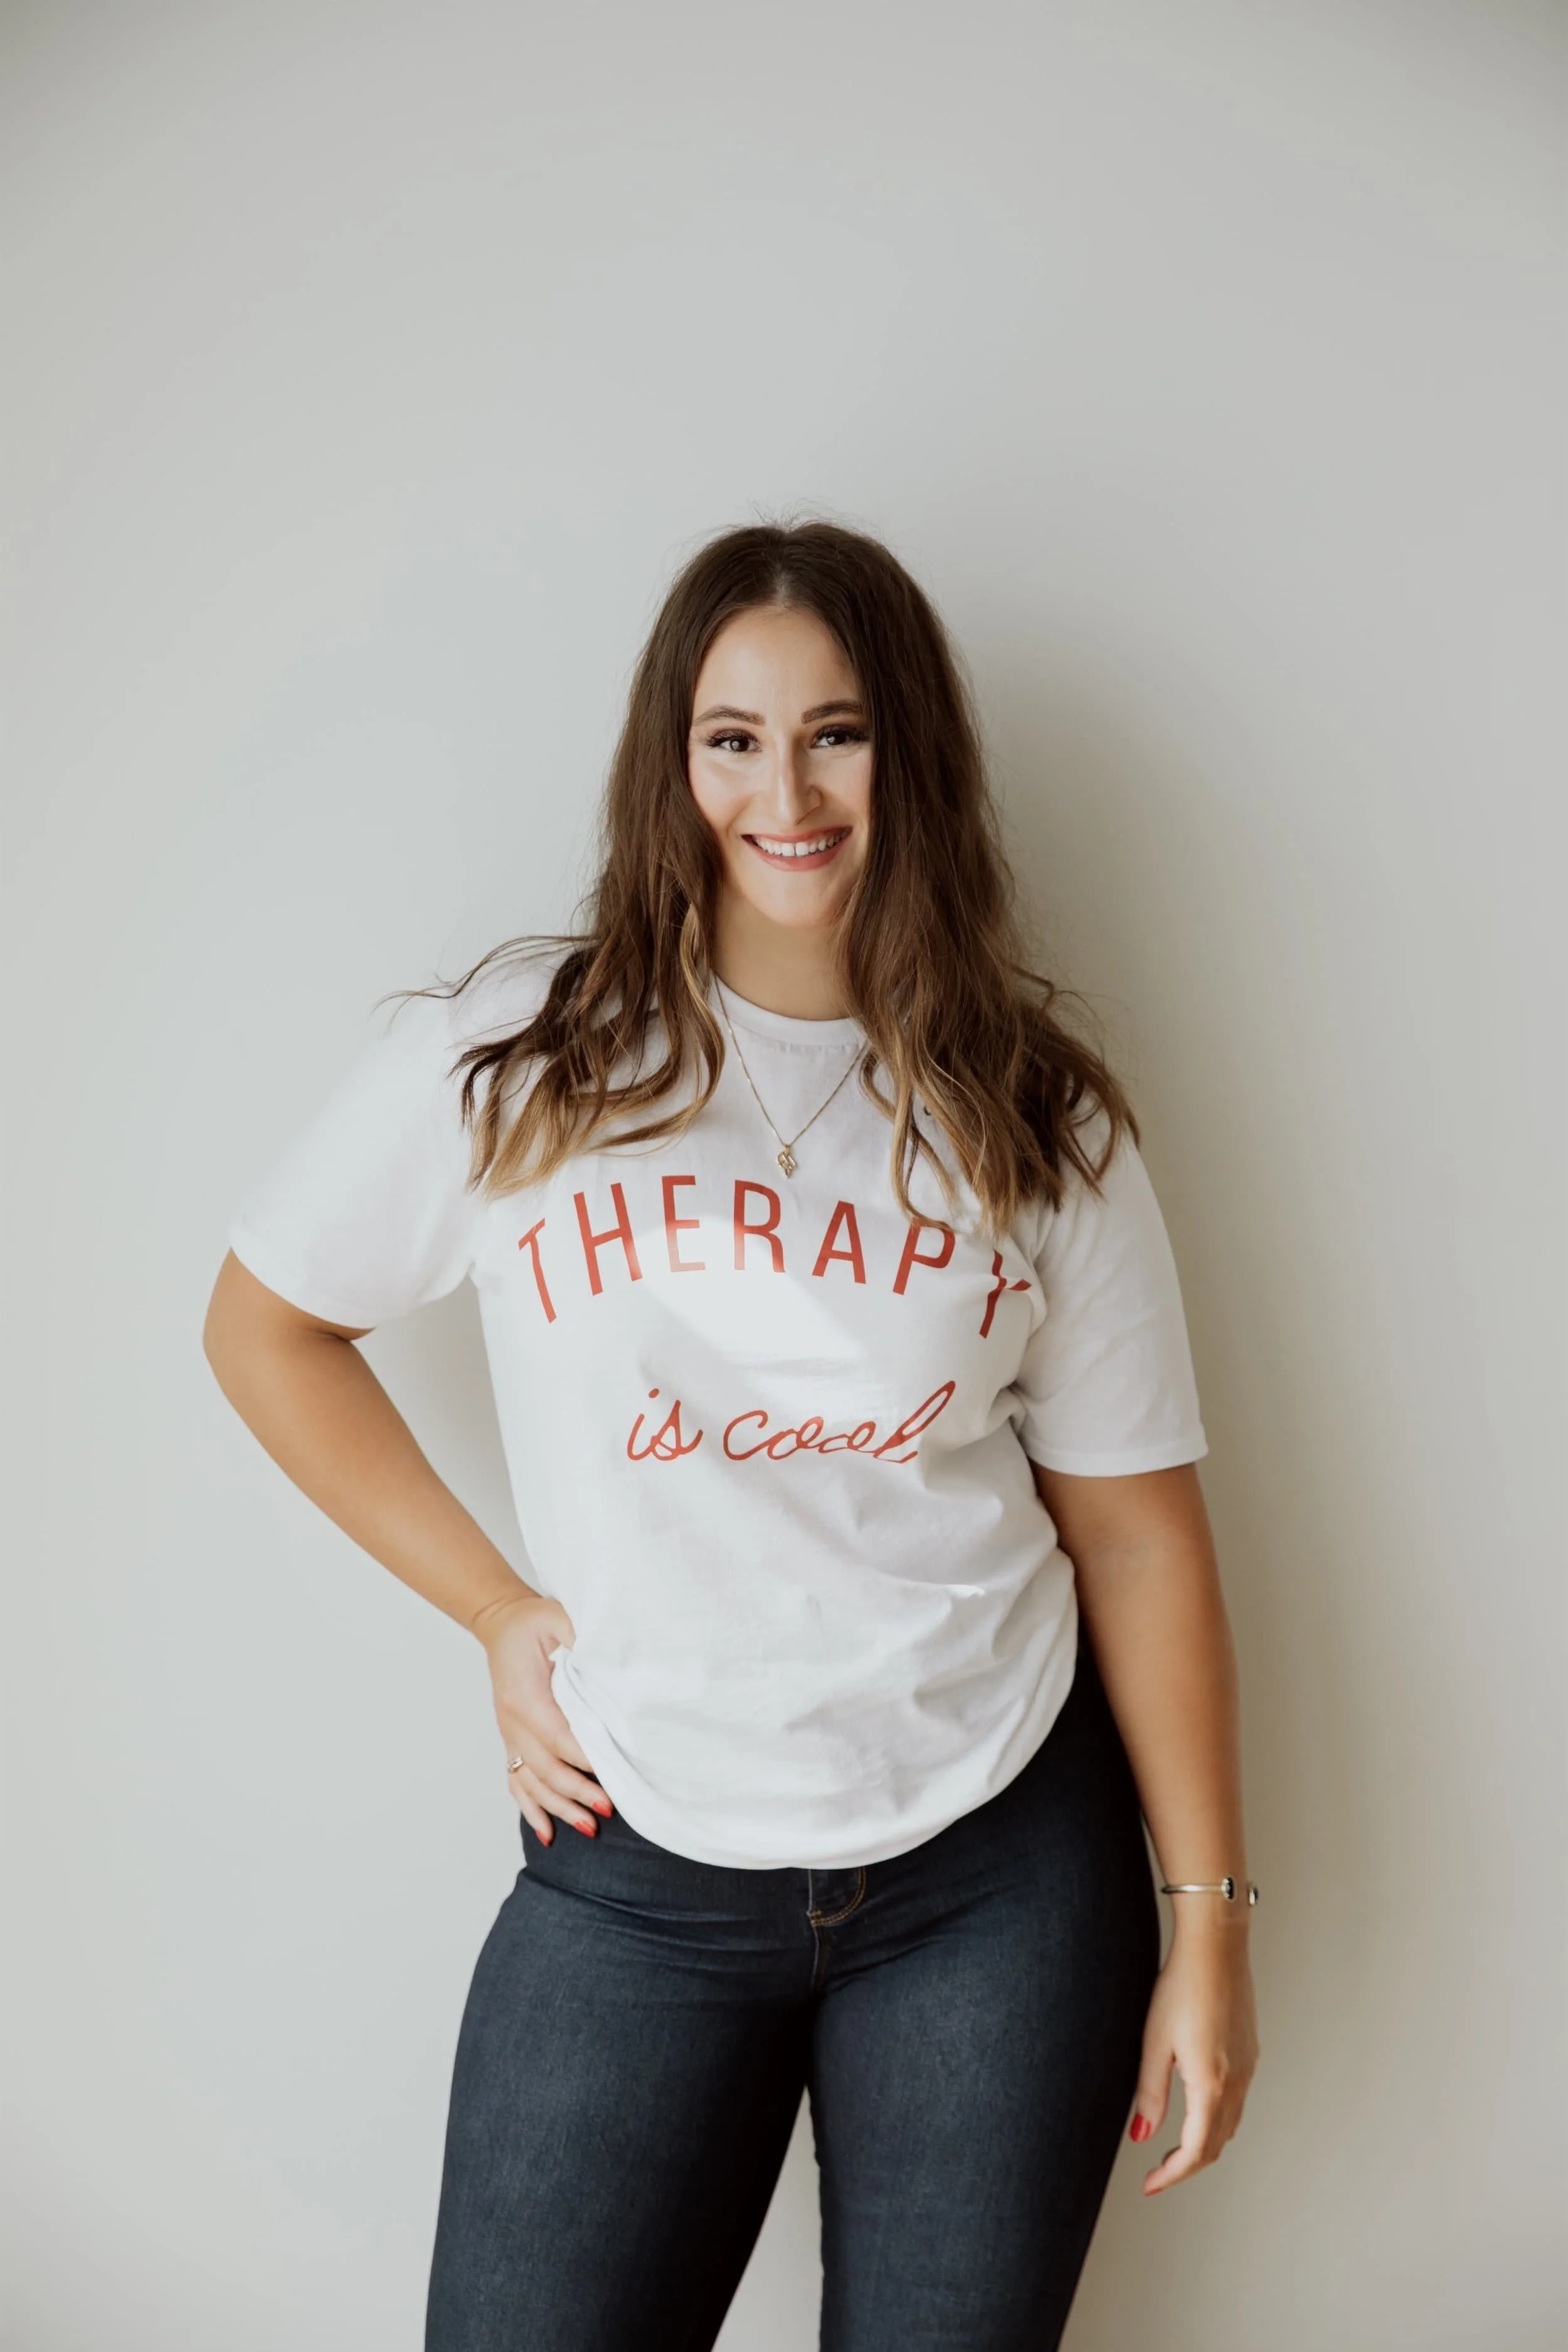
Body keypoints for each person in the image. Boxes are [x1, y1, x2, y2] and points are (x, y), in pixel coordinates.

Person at [203, 519, 1259, 2352]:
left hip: (995, 1879)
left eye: (836, 732)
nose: (787, 789)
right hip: (635, 1858)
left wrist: (1210, 1924)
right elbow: (269, 1326)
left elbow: (1139, 1534)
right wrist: (493, 1609)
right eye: (734, 736)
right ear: (669, 762)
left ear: (906, 754)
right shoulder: (520, 1063)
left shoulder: (1032, 1115)